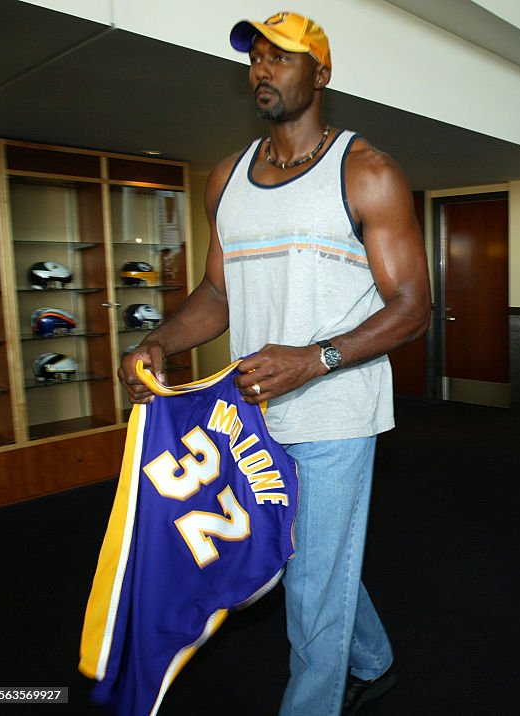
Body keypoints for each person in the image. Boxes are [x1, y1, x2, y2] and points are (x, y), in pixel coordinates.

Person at [118, 11, 430, 716]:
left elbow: (412, 305)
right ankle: (374, 658)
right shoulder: (225, 178)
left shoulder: (367, 172)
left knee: (313, 577)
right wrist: (162, 341)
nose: (262, 69)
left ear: (320, 74)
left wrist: (315, 360)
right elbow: (217, 294)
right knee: (296, 558)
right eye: (256, 57)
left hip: (334, 411)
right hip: (249, 415)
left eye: (281, 57)